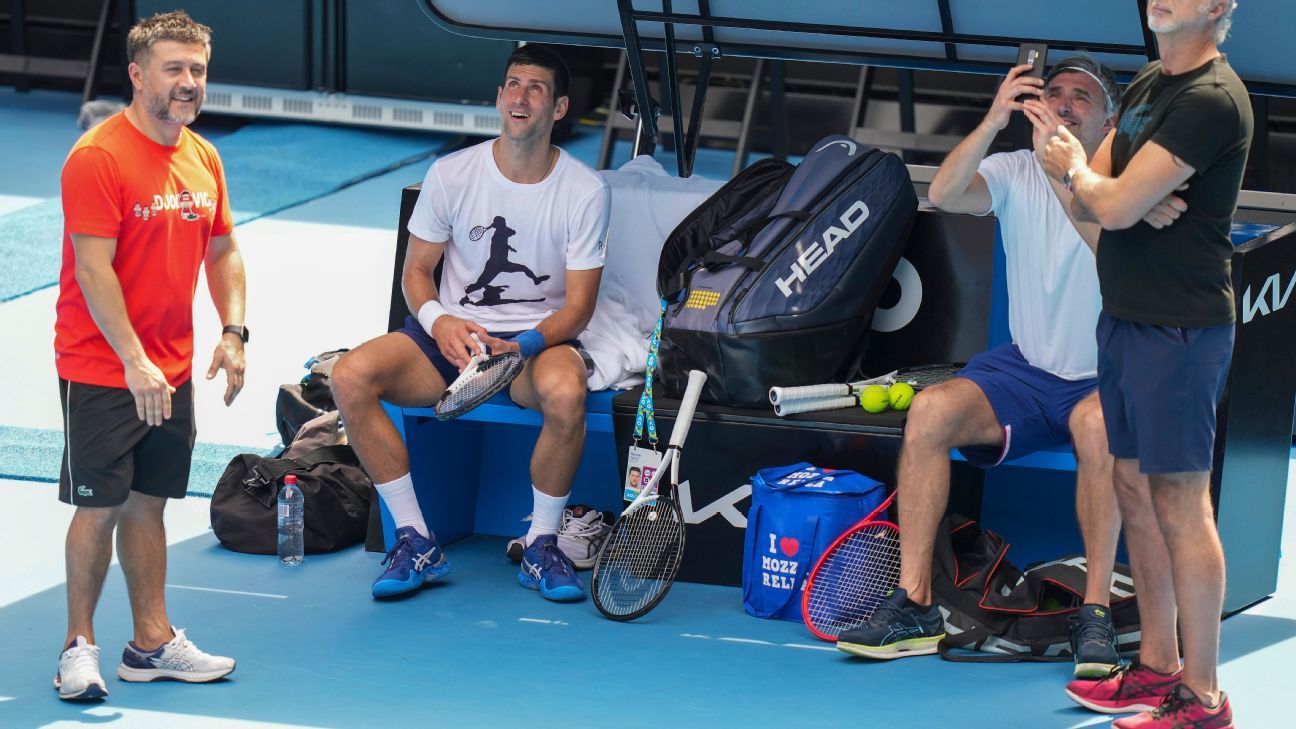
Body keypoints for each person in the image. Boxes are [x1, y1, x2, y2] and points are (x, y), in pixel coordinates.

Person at [836, 55, 1134, 679]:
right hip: (1026, 372)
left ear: (1110, 121)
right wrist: (996, 116)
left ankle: (1097, 613)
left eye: (1083, 96)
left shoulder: (1124, 179)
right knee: (931, 410)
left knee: (1101, 431)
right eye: (1053, 91)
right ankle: (916, 604)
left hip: (1110, 374)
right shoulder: (1012, 168)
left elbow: (1113, 256)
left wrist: (1064, 172)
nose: (1064, 102)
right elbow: (943, 193)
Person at [331, 45, 611, 603]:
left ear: (558, 108)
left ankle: (540, 544)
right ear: (499, 97)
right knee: (349, 376)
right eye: (512, 84)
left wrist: (522, 345)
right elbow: (416, 272)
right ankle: (415, 540)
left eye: (535, 88)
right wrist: (440, 324)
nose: (520, 96)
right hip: (451, 342)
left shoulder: (585, 191)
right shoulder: (451, 173)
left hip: (536, 344)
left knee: (565, 393)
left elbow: (578, 308)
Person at [1042, 2, 1250, 727]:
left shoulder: (1210, 101)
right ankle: (1158, 665)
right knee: (1133, 487)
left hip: (1181, 331)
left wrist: (1112, 190)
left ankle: (1204, 696)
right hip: (1124, 317)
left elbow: (1106, 193)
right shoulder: (1146, 84)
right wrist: (1107, 189)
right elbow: (1091, 190)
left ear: (1220, 6)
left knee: (1181, 505)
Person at [53, 10, 244, 701]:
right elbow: (93, 270)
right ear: (137, 75)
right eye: (174, 68)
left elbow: (222, 248)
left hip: (172, 365)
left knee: (148, 504)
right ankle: (79, 646)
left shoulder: (202, 155)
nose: (189, 82)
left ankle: (151, 643)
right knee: (98, 506)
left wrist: (234, 330)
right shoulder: (98, 157)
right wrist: (133, 359)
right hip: (104, 367)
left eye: (197, 69)